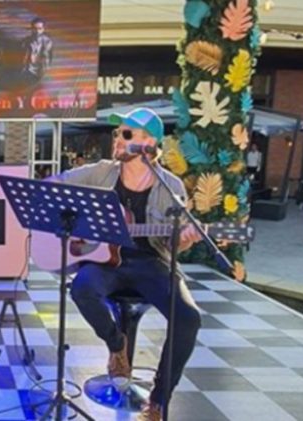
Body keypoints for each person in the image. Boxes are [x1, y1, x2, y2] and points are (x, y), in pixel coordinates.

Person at [49, 108, 202, 421]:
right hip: (105, 260)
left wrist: (185, 239)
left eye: (127, 134)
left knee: (188, 317)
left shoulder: (171, 187)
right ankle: (117, 345)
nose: (118, 139)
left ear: (149, 143)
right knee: (82, 289)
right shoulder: (102, 172)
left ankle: (157, 402)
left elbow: (172, 245)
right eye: (117, 133)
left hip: (150, 262)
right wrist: (78, 221)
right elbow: (53, 185)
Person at [22, 17, 53, 82]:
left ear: (43, 29)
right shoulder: (26, 40)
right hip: (27, 71)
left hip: (40, 72)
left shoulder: (47, 41)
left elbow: (46, 60)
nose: (37, 31)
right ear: (31, 29)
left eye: (40, 29)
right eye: (35, 29)